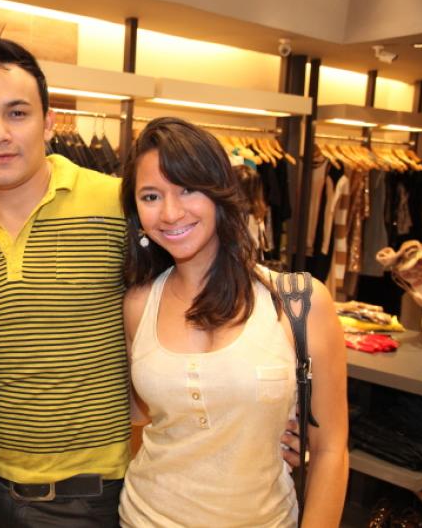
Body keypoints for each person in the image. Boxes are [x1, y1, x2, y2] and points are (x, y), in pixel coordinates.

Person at [0, 34, 303, 527]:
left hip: (93, 497)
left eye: (17, 113)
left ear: (49, 122)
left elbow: (200, 301)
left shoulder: (122, 206)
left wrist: (262, 422)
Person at [117, 117, 349, 527]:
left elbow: (331, 449)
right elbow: (141, 423)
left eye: (187, 189)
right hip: (143, 517)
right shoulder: (139, 303)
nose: (170, 212)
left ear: (219, 192)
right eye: (151, 196)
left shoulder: (300, 302)